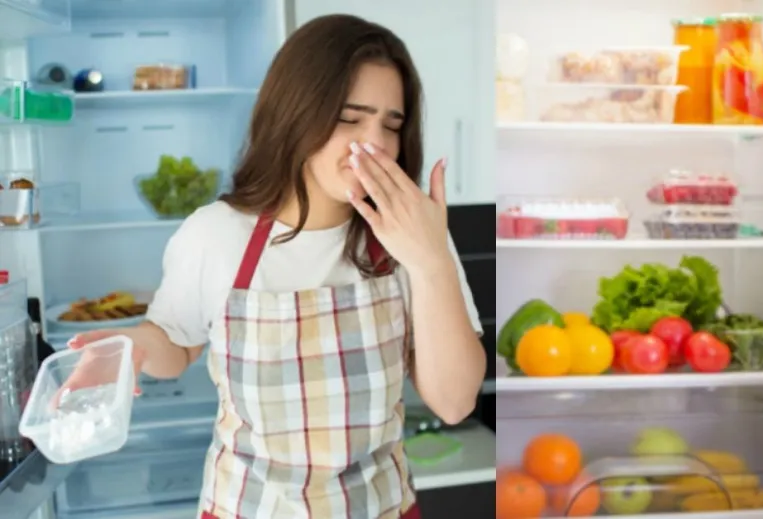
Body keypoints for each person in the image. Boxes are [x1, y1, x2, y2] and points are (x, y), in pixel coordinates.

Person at [68, 14, 486, 519]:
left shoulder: (416, 237)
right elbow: (175, 343)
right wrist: (132, 347)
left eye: (391, 124)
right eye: (350, 118)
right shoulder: (217, 234)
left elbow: (456, 402)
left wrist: (431, 260)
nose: (373, 142)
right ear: (296, 114)